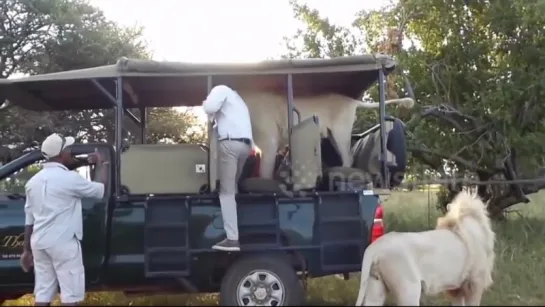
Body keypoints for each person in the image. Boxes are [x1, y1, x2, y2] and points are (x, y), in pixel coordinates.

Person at [20, 133, 108, 306]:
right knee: (70, 294)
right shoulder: (70, 179)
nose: (70, 152)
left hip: (39, 243)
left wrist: (26, 250)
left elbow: (29, 219)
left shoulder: (33, 182)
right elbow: (100, 189)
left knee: (43, 293)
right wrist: (102, 163)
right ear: (61, 155)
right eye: (68, 150)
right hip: (63, 242)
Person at [202, 85, 253, 252]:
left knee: (226, 193)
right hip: (245, 146)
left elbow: (210, 107)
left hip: (230, 144)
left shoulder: (220, 89)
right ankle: (239, 224)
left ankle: (232, 239)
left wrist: (205, 104)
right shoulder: (239, 101)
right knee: (234, 186)